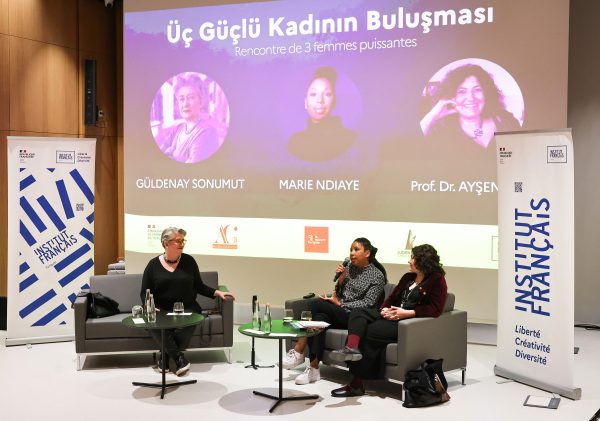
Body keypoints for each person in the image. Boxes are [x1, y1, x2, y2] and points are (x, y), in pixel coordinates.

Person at [328, 244, 447, 397]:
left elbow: (435, 309)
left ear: (423, 261)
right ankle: (351, 348)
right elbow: (391, 298)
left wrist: (407, 313)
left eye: (412, 258)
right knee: (358, 312)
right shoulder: (408, 277)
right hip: (391, 314)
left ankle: (356, 385)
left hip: (405, 323)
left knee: (369, 331)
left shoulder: (437, 280)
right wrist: (384, 308)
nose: (409, 261)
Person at [281, 237, 387, 385]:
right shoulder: (349, 267)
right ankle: (313, 369)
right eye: (351, 250)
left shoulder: (377, 275)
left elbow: (368, 303)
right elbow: (340, 292)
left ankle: (299, 350)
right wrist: (341, 279)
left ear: (367, 253)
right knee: (319, 318)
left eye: (356, 249)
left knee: (315, 304)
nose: (352, 253)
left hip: (355, 317)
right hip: (340, 311)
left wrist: (341, 304)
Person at [140, 227, 235, 376]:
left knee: (190, 322)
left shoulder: (189, 261)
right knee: (153, 324)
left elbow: (199, 286)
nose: (182, 244)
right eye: (178, 241)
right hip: (162, 309)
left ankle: (165, 356)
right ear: (165, 243)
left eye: (183, 241)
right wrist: (148, 306)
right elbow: (144, 291)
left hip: (187, 307)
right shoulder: (153, 265)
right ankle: (179, 359)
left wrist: (217, 292)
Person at [420, 64, 521, 148]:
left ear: (486, 93)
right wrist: (431, 117)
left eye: (477, 90)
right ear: (451, 97)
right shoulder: (442, 131)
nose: (471, 98)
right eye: (462, 91)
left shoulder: (505, 119)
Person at [288, 66, 357, 161]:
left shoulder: (350, 139)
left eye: (327, 94)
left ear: (334, 102)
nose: (320, 100)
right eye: (313, 94)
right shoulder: (295, 143)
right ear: (305, 103)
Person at [160, 73, 220, 163]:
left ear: (201, 101)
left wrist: (170, 152)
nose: (185, 104)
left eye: (191, 97)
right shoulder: (178, 128)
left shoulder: (208, 132)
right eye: (181, 99)